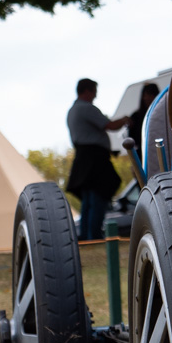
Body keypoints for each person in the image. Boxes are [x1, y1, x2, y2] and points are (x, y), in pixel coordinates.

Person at [65, 78, 126, 239]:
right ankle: (94, 236)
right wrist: (125, 120)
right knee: (97, 198)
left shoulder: (72, 111)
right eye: (94, 92)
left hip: (85, 159)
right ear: (87, 91)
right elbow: (110, 126)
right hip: (94, 160)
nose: (95, 96)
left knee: (88, 202)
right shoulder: (86, 108)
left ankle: (87, 236)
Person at [121, 82, 160, 158]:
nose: (147, 98)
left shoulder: (162, 113)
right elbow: (132, 140)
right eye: (145, 95)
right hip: (142, 155)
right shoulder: (136, 116)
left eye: (151, 95)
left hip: (160, 152)